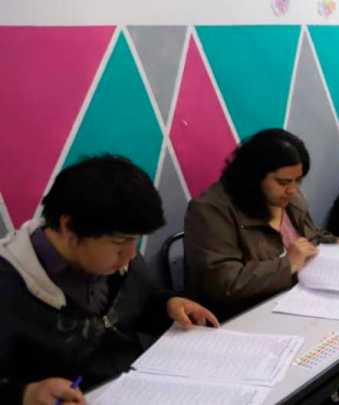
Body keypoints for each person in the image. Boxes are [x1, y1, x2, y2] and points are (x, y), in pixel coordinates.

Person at [0, 155, 218, 405]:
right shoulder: (9, 281)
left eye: (135, 240)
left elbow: (141, 303)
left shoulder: (117, 259)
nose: (131, 254)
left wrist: (168, 305)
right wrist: (26, 394)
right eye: (120, 242)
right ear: (69, 227)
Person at [184, 128, 339, 320]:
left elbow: (311, 238)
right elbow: (223, 283)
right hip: (245, 315)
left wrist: (336, 244)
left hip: (300, 301)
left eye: (298, 181)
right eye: (283, 182)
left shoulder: (290, 197)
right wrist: (287, 265)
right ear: (254, 177)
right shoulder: (210, 210)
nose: (292, 190)